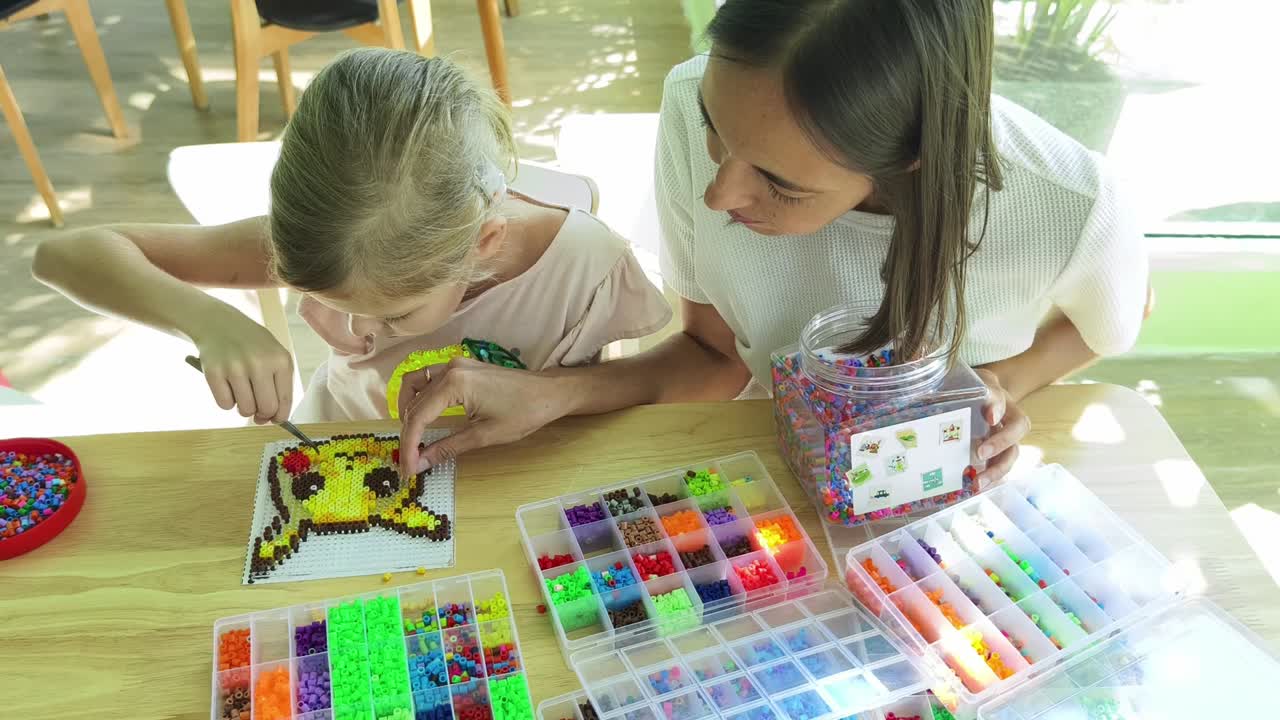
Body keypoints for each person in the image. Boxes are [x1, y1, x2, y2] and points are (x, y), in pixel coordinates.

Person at [394, 0, 1148, 481]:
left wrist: (1005, 382)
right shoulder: (691, 96)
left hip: (938, 486)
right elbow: (715, 354)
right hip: (775, 465)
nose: (720, 197)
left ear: (907, 159)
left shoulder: (1067, 202)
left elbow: (1115, 319)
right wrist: (548, 395)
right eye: (717, 137)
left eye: (780, 184)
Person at [33, 49, 670, 423]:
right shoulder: (334, 236)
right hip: (341, 437)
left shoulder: (586, 268)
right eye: (337, 308)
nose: (358, 334)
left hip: (503, 480)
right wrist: (208, 321)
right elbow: (61, 254)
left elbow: (595, 402)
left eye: (392, 315)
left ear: (483, 243)